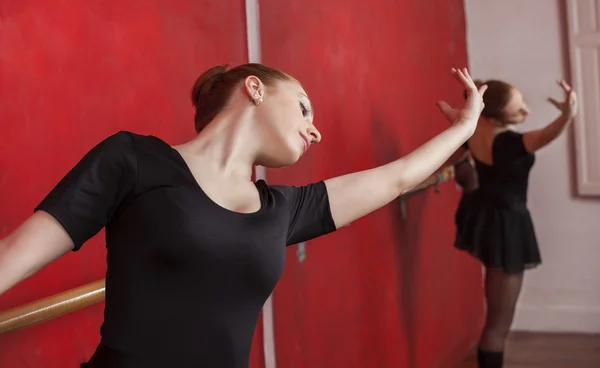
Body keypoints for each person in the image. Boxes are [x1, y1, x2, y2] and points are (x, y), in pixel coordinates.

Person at [0, 63, 485, 367]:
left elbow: (396, 178)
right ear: (255, 88)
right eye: (304, 109)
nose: (314, 132)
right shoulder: (132, 160)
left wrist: (466, 128)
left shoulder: (285, 209)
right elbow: (15, 257)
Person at [447, 79, 577, 368]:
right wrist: (568, 114)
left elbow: (457, 141)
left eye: (522, 103)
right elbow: (548, 134)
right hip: (508, 227)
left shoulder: (475, 129)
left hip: (486, 217)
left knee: (495, 318)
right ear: (494, 117)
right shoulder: (510, 143)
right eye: (517, 112)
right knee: (497, 326)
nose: (527, 113)